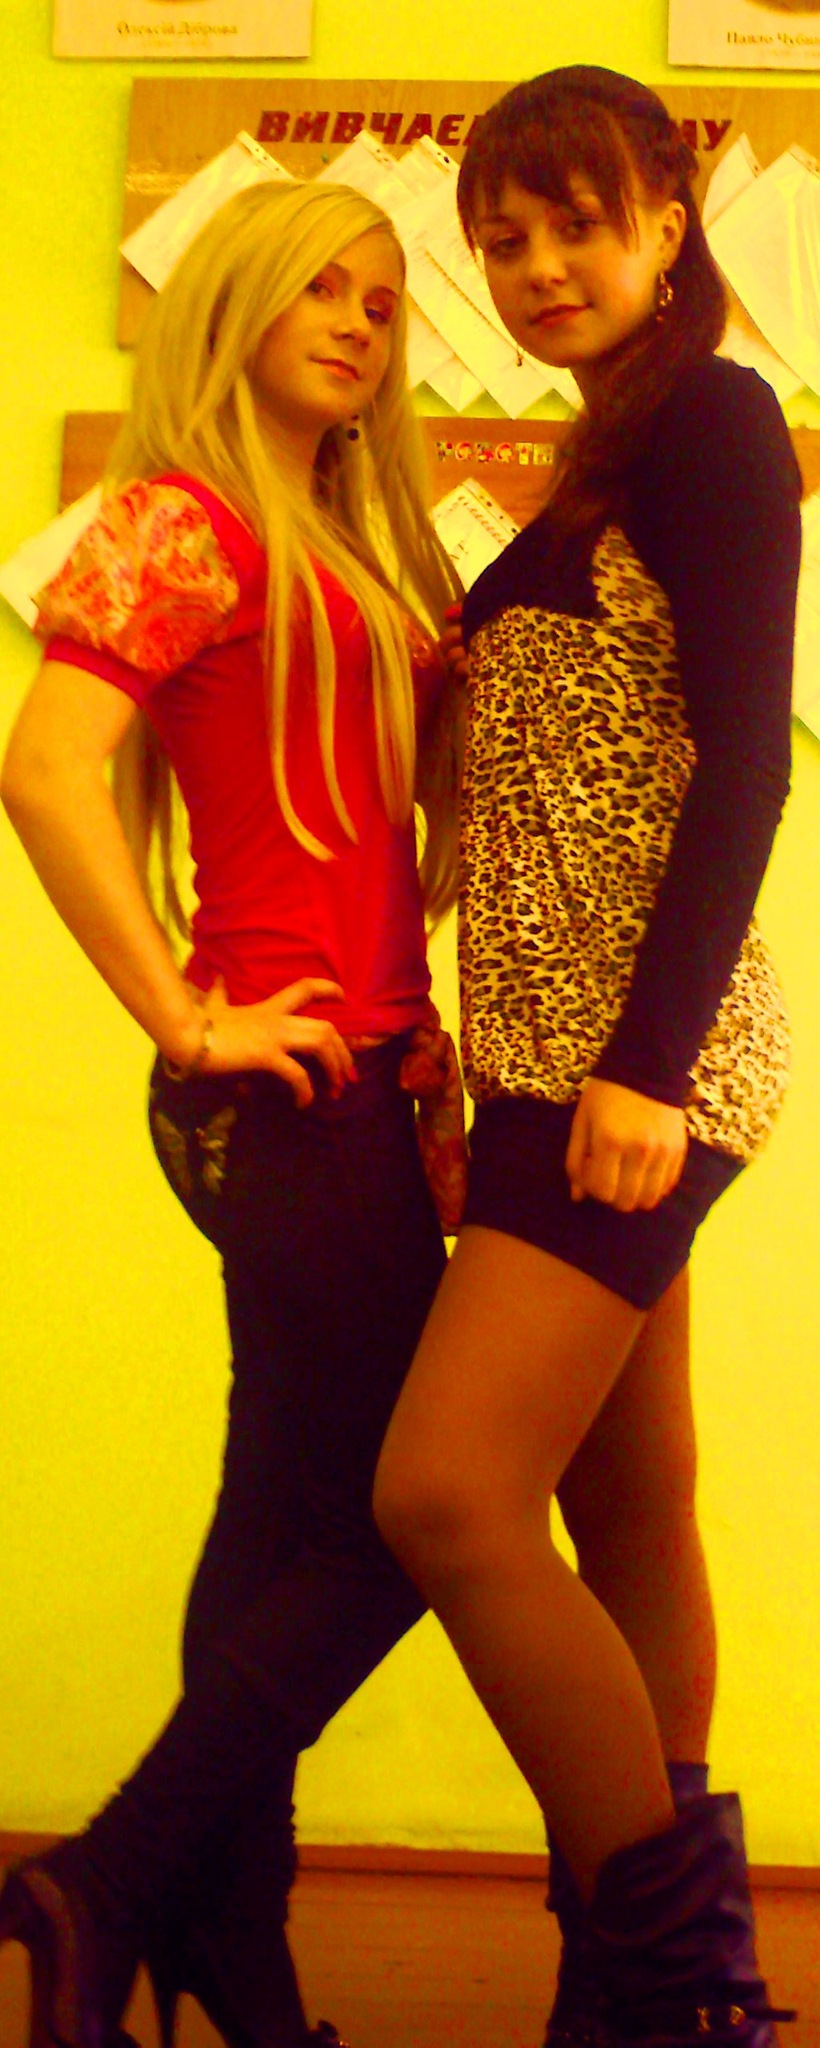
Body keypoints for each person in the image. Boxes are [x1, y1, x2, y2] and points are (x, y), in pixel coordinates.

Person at [0, 177, 464, 2048]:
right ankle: (109, 1877)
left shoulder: (340, 532)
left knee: (276, 1516)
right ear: (235, 303)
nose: (356, 320)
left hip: (359, 1083)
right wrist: (184, 1014)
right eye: (317, 289)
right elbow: (47, 770)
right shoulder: (179, 518)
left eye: (381, 298)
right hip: (287, 1088)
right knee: (420, 1514)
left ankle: (231, 1951)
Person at [372, 66, 801, 2048]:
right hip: (551, 1057)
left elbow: (739, 769)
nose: (539, 266)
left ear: (665, 217)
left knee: (449, 1497)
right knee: (629, 1506)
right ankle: (630, 1988)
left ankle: (677, 1985)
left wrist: (641, 1066)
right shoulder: (605, 445)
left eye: (575, 222)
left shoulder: (710, 419)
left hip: (636, 1063)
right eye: (503, 240)